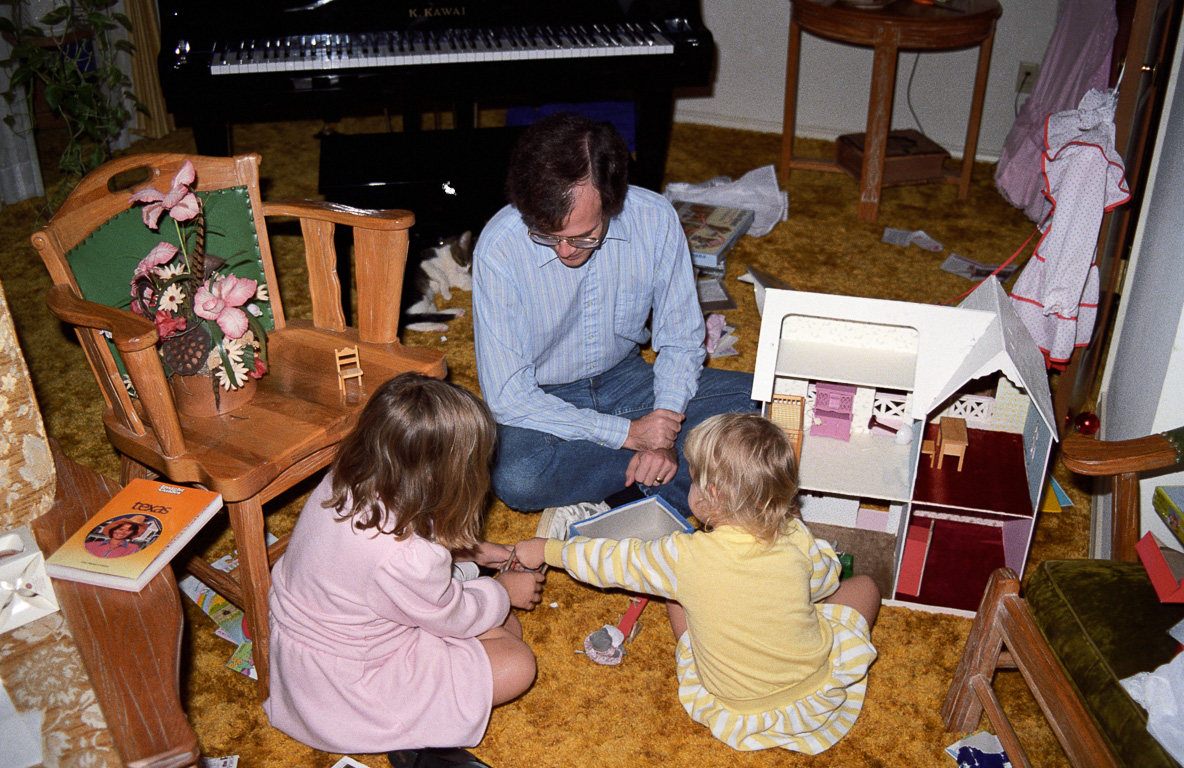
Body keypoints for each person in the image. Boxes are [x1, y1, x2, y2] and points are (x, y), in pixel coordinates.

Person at [512, 412, 880, 754]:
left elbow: (613, 561)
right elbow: (825, 581)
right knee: (865, 586)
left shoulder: (681, 556)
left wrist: (548, 550)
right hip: (811, 695)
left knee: (676, 598)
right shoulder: (796, 538)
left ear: (712, 498)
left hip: (736, 704)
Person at [472, 111, 755, 520]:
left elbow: (679, 339)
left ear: (614, 200)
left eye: (583, 236)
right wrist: (631, 435)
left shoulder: (656, 219)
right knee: (519, 476)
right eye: (549, 236)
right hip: (546, 397)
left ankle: (634, 480)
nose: (565, 251)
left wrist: (663, 428)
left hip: (630, 382)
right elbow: (509, 397)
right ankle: (670, 478)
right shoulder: (499, 248)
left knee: (769, 403)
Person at [263, 373, 544, 764]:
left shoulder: (345, 479)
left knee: (497, 628)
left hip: (306, 649)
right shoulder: (406, 557)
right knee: (517, 661)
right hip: (344, 686)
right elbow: (452, 616)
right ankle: (410, 731)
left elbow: (384, 556)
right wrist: (503, 592)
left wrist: (470, 553)